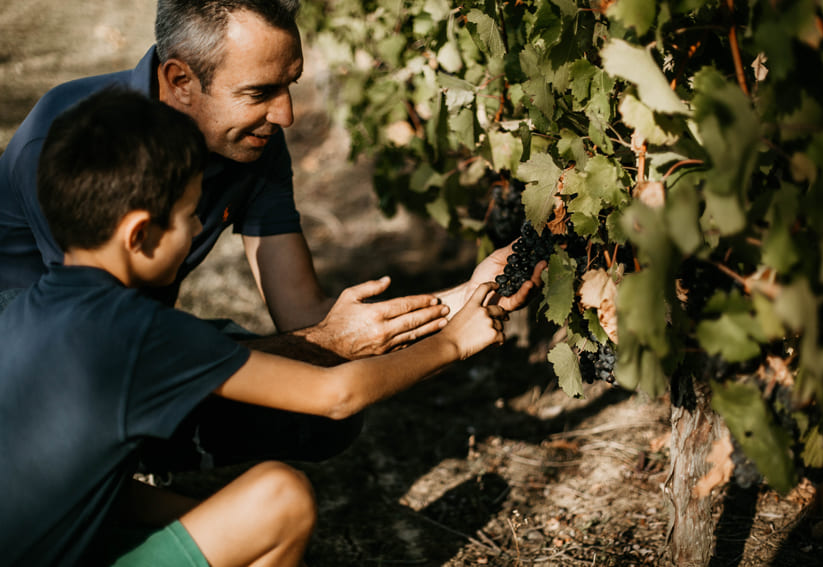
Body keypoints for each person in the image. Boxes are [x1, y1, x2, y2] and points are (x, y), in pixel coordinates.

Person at [0, 0, 544, 471]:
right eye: (260, 92)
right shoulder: (75, 148)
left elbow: (303, 313)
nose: (284, 115)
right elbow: (99, 356)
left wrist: (467, 297)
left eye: (290, 86)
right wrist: (328, 346)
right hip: (36, 371)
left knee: (317, 418)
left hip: (127, 347)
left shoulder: (253, 143)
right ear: (179, 81)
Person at [0, 88, 507, 567]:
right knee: (280, 498)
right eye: (187, 215)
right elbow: (336, 395)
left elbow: (88, 487)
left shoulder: (18, 311)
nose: (199, 228)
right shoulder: (140, 331)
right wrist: (453, 343)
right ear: (139, 234)